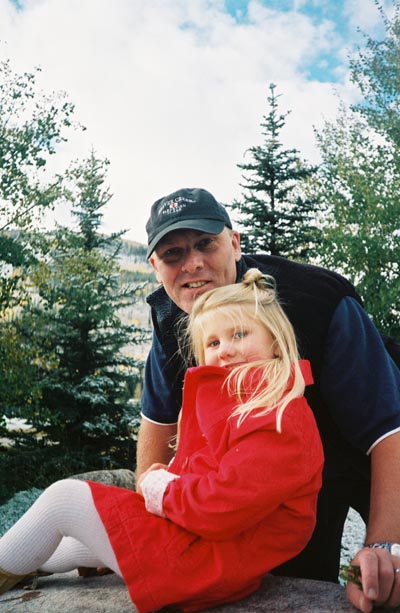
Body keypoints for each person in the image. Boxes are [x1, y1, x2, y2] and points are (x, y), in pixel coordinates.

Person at [139, 187, 400, 613]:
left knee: (385, 576)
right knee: (289, 582)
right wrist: (144, 530)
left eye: (206, 243)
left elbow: (389, 427)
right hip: (273, 468)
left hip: (364, 446)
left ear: (235, 242)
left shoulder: (317, 298)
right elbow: (159, 422)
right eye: (172, 255)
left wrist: (386, 544)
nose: (193, 264)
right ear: (154, 267)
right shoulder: (172, 317)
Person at [0, 270, 323, 613]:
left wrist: (164, 490)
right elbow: (210, 472)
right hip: (204, 546)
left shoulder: (277, 416)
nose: (225, 351)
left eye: (239, 334)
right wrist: (171, 476)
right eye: (213, 343)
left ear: (275, 340)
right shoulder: (241, 402)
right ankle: (24, 565)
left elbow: (224, 505)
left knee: (65, 499)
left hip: (208, 561)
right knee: (89, 543)